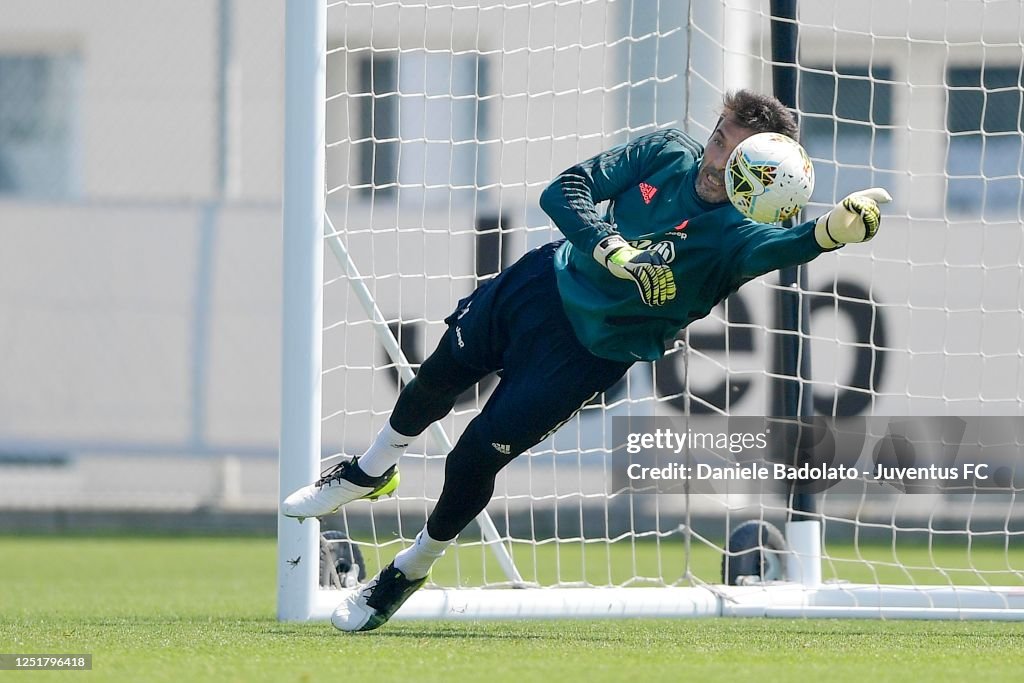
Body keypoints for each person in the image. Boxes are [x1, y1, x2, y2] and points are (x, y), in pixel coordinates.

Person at [283, 89, 891, 631]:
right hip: (538, 285)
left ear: (761, 173)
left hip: (587, 354)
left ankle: (409, 570)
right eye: (716, 139)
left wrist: (833, 230)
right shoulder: (667, 152)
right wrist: (614, 250)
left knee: (473, 455)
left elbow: (791, 245)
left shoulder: (740, 235)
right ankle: (368, 470)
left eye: (733, 156)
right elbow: (562, 190)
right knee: (435, 379)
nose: (713, 160)